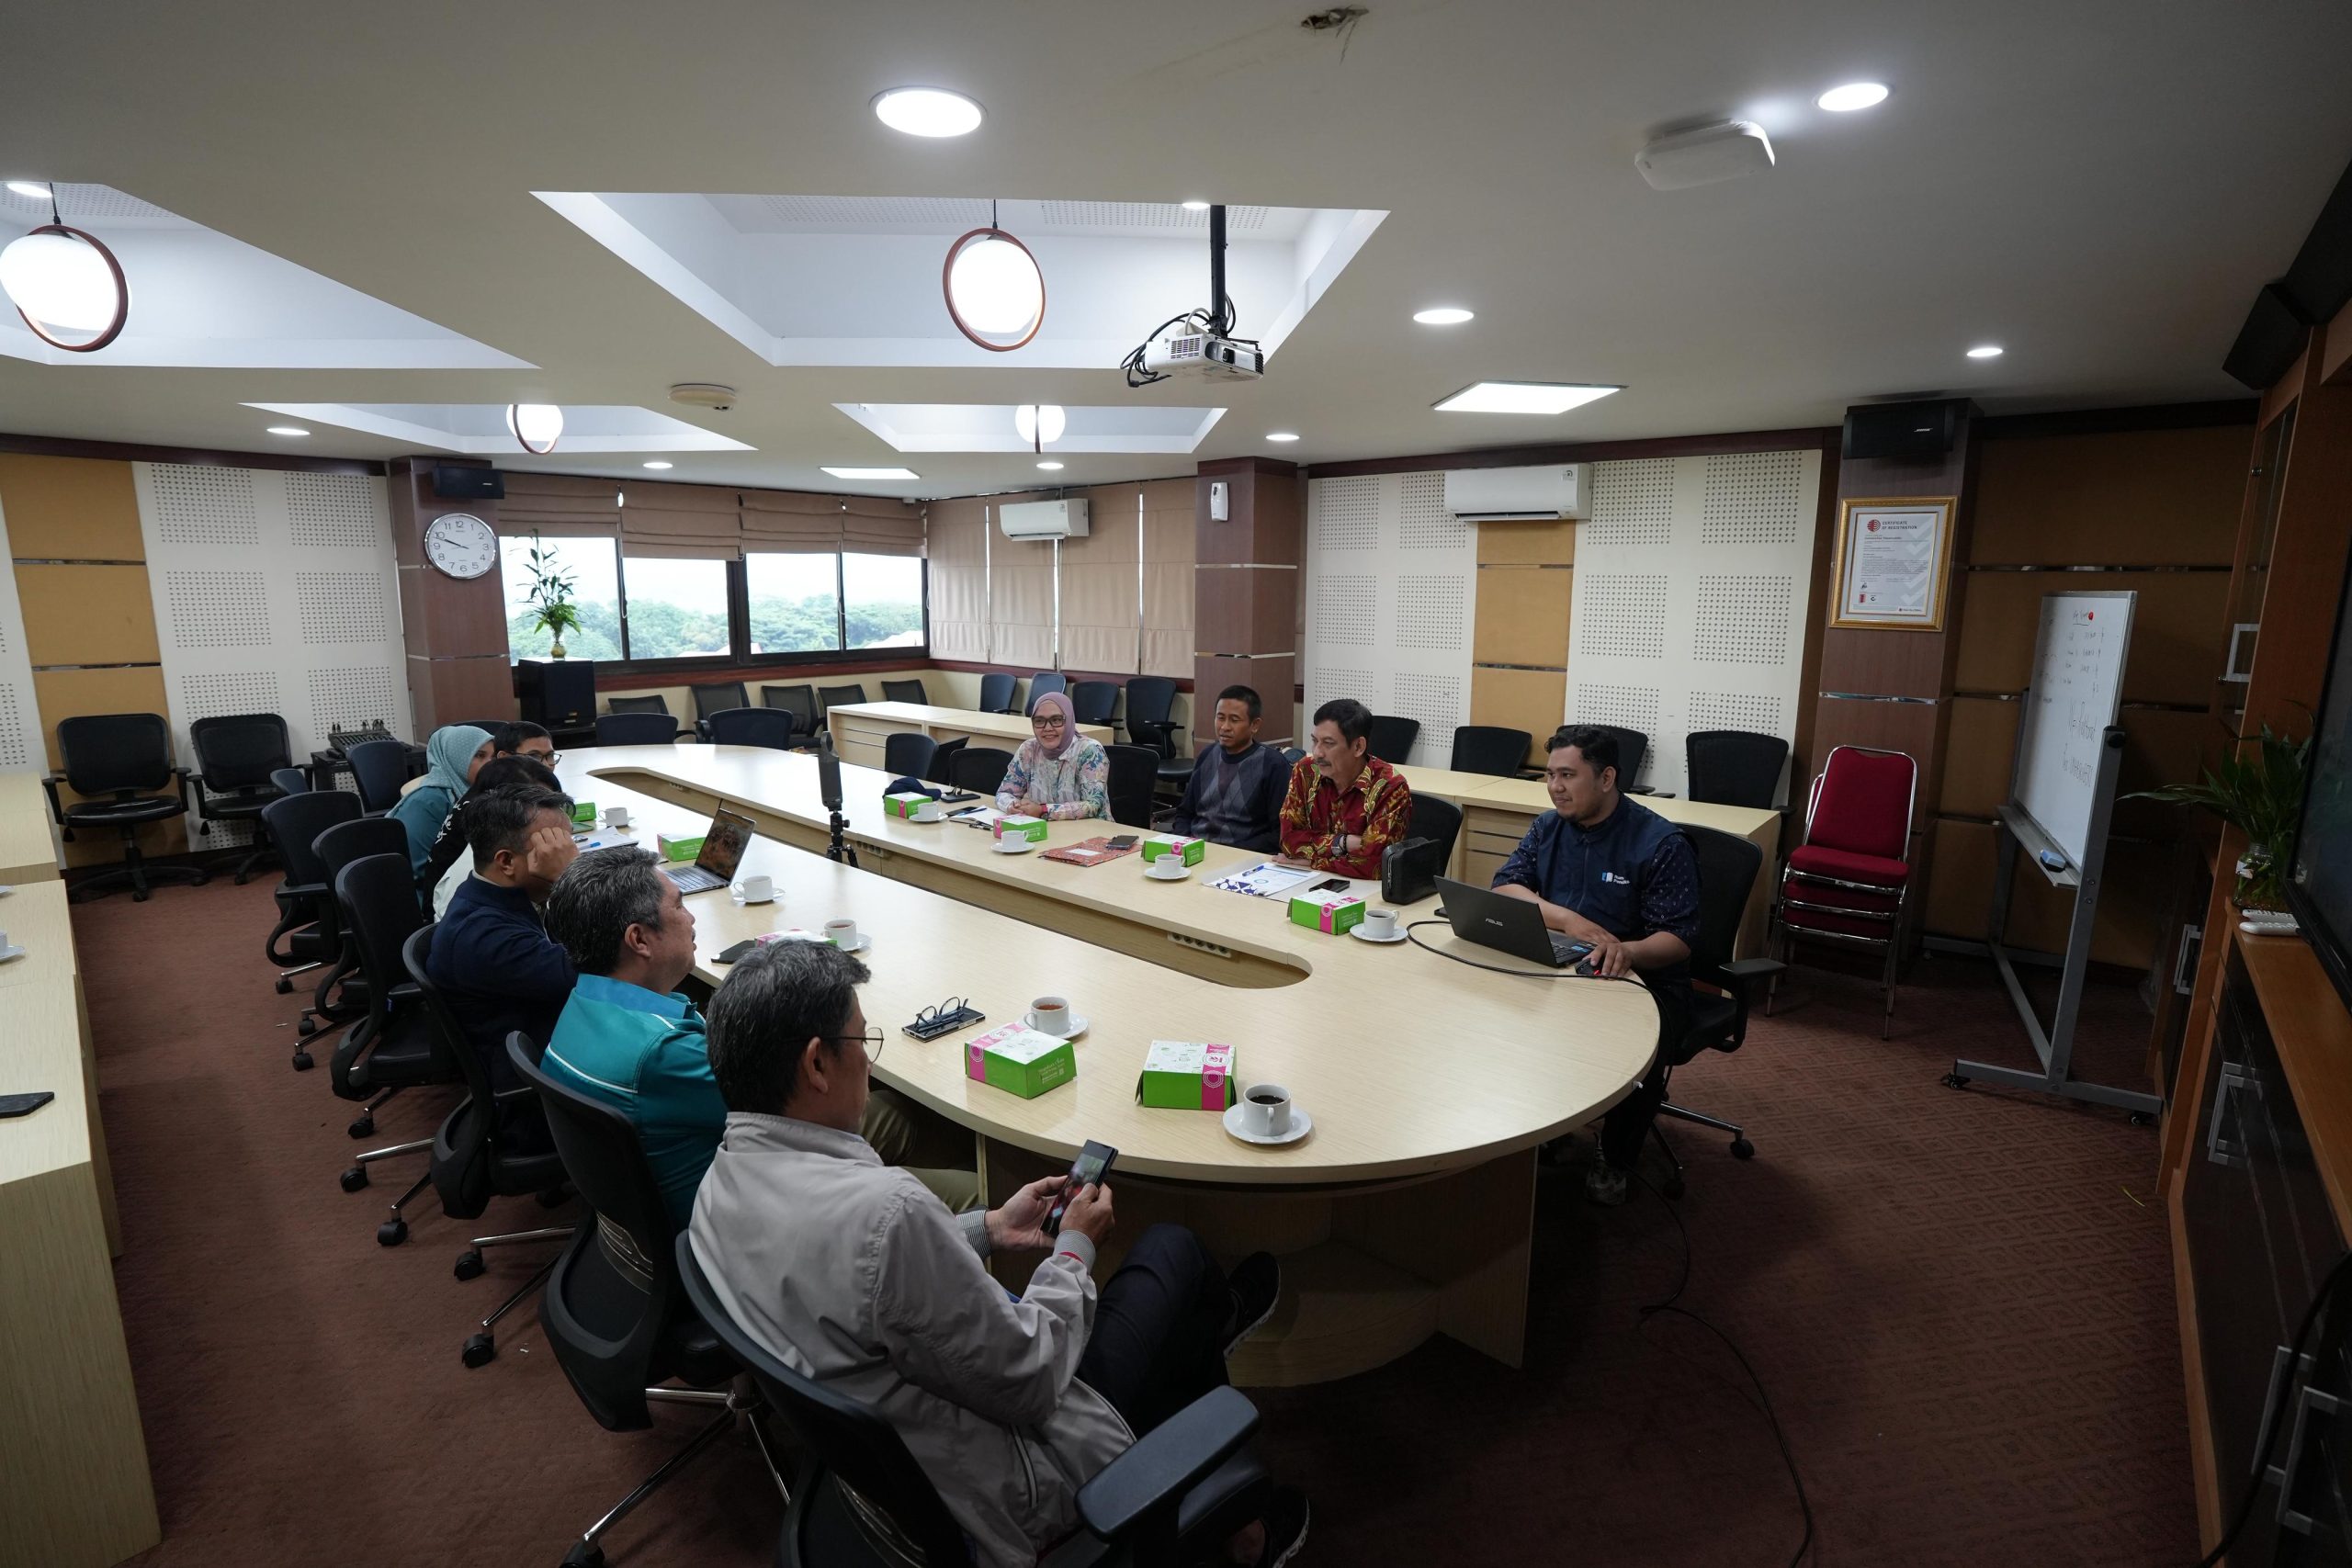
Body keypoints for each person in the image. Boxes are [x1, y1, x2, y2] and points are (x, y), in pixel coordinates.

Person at [689, 942, 1307, 1568]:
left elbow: (854, 1272)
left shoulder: (720, 1184)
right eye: (862, 1040)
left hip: (893, 1477)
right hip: (1013, 1477)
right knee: (1174, 1251)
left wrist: (988, 1228)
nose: (869, 1067)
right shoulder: (889, 1212)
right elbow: (1034, 1378)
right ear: (818, 1063)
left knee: (1177, 1316)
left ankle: (1203, 1361)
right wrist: (1075, 1248)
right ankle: (1240, 1532)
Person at [539, 847, 978, 1228]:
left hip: (689, 1185)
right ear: (639, 939)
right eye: (679, 905)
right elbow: (798, 1108)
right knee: (976, 1193)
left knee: (904, 1115)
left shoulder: (581, 1002)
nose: (691, 917)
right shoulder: (662, 1053)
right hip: (754, 1211)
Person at [1490, 725, 1700, 1207]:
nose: (1555, 787)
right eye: (1550, 775)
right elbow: (1506, 886)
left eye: (1568, 775)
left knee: (1635, 1054)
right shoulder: (1549, 827)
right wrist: (1568, 920)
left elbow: (1679, 938)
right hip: (1564, 965)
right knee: (1500, 1014)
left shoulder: (1660, 843)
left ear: (1606, 778)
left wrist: (1628, 951)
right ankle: (1542, 1125)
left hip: (1644, 982)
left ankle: (1616, 1154)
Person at [425, 784, 580, 1107]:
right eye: (551, 846)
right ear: (507, 861)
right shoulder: (485, 935)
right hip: (539, 1092)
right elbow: (593, 969)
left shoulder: (496, 898)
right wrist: (570, 879)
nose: (567, 855)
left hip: (550, 1039)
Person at [1275, 697, 1411, 880]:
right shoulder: (1306, 771)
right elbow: (1288, 840)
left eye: (1328, 743)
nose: (1317, 753)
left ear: (1358, 747)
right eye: (1315, 741)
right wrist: (1342, 843)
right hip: (1309, 882)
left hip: (1365, 891)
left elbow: (1374, 864)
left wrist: (1312, 862)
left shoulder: (1389, 787)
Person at [424, 754, 563, 914]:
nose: (554, 813)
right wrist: (565, 877)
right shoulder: (475, 885)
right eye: (541, 805)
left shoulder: (495, 842)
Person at [1163, 685, 1290, 852]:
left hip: (1242, 854)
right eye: (1220, 718)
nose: (1225, 727)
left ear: (1255, 725)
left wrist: (1229, 853)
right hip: (1196, 850)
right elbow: (1185, 813)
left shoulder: (1273, 765)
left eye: (1234, 720)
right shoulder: (1207, 755)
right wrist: (1182, 845)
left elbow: (1279, 833)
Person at [388, 724, 493, 875]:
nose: (491, 763)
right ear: (456, 758)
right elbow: (419, 868)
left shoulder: (481, 792)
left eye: (493, 756)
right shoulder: (425, 802)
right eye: (480, 755)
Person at [995, 690, 1109, 820]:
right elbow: (1004, 793)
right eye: (1039, 721)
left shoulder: (1090, 751)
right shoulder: (1028, 749)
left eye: (1056, 720)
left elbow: (1093, 804)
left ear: (1069, 720)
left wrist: (1043, 810)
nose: (1047, 728)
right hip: (1043, 828)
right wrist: (1012, 806)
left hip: (1092, 829)